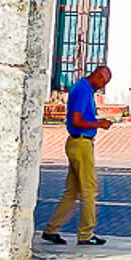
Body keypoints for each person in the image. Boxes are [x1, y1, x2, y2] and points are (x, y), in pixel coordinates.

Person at [42, 64, 113, 246]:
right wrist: (99, 124)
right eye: (103, 82)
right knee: (90, 190)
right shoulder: (83, 90)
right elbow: (77, 120)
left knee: (72, 191)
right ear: (97, 76)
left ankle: (52, 229)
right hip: (81, 143)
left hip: (76, 142)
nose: (102, 86)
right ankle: (86, 233)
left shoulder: (81, 87)